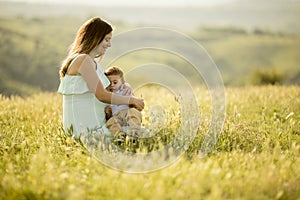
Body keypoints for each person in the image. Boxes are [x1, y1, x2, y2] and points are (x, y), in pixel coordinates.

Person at [57, 17, 144, 141]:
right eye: (107, 39)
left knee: (133, 125)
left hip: (94, 124)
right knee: (141, 134)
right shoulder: (83, 60)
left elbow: (105, 94)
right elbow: (101, 95)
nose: (109, 44)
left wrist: (125, 90)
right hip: (85, 129)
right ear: (96, 38)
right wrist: (131, 100)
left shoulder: (91, 62)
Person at [104, 66, 142, 139]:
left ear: (123, 82)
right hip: (117, 116)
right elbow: (108, 112)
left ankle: (134, 132)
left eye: (115, 82)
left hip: (127, 112)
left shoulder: (125, 90)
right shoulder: (107, 94)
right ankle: (120, 136)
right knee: (110, 122)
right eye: (109, 83)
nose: (112, 85)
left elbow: (134, 102)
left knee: (133, 113)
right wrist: (108, 113)